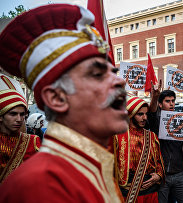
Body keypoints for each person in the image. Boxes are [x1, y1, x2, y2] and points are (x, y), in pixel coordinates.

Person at [0, 4, 128, 202]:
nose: (120, 81)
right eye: (97, 74)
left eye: (113, 72)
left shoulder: (95, 169)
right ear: (57, 98)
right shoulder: (39, 185)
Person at [111, 97, 164, 202]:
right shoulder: (117, 136)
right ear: (130, 115)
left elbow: (158, 161)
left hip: (150, 191)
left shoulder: (152, 136)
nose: (145, 118)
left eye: (146, 114)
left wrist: (159, 175)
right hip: (127, 192)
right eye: (140, 114)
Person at [147, 86, 183, 203]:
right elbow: (151, 112)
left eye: (173, 101)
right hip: (161, 176)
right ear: (160, 104)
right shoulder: (156, 121)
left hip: (179, 174)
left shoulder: (180, 121)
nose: (172, 104)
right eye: (167, 101)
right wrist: (155, 97)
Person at [0, 76, 41, 183]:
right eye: (13, 114)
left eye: (22, 114)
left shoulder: (32, 142)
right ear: (1, 116)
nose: (19, 119)